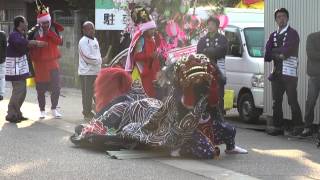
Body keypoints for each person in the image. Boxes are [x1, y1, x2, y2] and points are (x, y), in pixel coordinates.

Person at [264, 8, 303, 136]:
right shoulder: (273, 35)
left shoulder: (293, 33)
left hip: (289, 72)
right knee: (276, 101)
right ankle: (277, 126)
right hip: (276, 72)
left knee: (292, 100)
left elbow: (287, 52)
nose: (281, 19)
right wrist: (278, 52)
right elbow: (267, 55)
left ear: (287, 18)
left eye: (283, 16)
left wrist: (277, 51)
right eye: (279, 17)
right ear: (276, 20)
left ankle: (298, 126)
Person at [5, 16, 46, 123]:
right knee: (18, 91)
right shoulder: (14, 35)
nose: (27, 23)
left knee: (22, 91)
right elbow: (23, 43)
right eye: (25, 22)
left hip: (20, 67)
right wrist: (35, 43)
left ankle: (17, 113)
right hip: (15, 68)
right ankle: (11, 114)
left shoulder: (20, 34)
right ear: (20, 23)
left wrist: (33, 41)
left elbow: (25, 42)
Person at [29, 3, 64, 119]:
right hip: (39, 64)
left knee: (56, 87)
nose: (45, 24)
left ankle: (54, 108)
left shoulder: (53, 29)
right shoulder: (34, 31)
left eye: (47, 22)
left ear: (49, 21)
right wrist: (36, 44)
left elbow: (59, 42)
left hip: (53, 63)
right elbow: (27, 44)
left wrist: (48, 33)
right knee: (40, 89)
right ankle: (42, 110)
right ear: (39, 22)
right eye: (43, 22)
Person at [124, 7, 160, 98]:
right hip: (142, 72)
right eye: (151, 29)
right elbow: (136, 57)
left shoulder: (152, 39)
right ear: (146, 29)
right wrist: (150, 56)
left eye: (154, 29)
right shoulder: (141, 40)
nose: (153, 31)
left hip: (151, 71)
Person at [197, 16, 228, 115]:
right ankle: (205, 114)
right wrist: (213, 51)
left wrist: (209, 51)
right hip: (205, 69)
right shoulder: (202, 39)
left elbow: (223, 51)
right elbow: (199, 53)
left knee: (219, 93)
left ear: (217, 26)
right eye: (209, 24)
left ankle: (219, 114)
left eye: (213, 24)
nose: (210, 26)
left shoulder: (222, 39)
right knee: (205, 92)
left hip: (217, 69)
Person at [78, 21, 102, 120]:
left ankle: (99, 111)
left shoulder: (95, 40)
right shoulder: (83, 41)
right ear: (83, 30)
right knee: (87, 95)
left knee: (97, 93)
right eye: (88, 29)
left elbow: (97, 55)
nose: (91, 31)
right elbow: (86, 57)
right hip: (86, 73)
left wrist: (100, 62)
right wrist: (100, 60)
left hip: (96, 72)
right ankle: (86, 113)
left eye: (92, 28)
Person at [299, 31, 320, 137]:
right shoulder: (312, 37)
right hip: (315, 75)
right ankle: (307, 127)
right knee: (311, 102)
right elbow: (311, 54)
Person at [0, 30, 6, 101]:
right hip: (2, 59)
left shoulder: (3, 34)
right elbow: (5, 47)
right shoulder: (3, 34)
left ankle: (1, 94)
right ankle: (1, 94)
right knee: (1, 77)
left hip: (2, 59)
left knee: (1, 77)